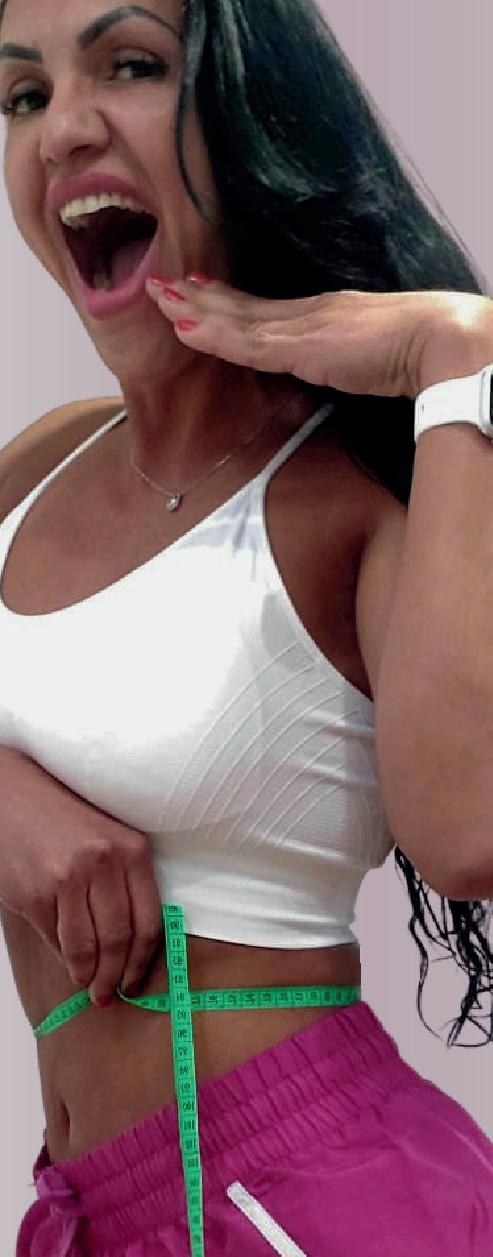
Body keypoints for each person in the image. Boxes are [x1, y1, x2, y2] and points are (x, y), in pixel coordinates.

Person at [0, 0, 492, 1253]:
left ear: (249, 116)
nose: (62, 129)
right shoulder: (43, 466)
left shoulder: (356, 500)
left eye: (128, 66)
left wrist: (457, 360)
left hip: (311, 1198)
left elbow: (468, 837)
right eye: (23, 95)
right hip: (87, 1207)